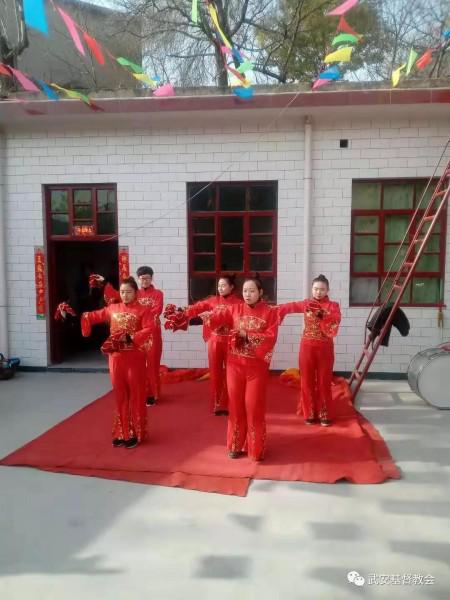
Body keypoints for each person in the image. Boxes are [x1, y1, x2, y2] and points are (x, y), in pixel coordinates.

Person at [167, 275, 279, 461]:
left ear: (260, 293)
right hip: (235, 366)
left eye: (252, 291)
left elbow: (270, 337)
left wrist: (246, 334)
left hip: (255, 369)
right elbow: (216, 318)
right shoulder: (234, 309)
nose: (248, 294)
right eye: (245, 291)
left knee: (253, 407)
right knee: (235, 406)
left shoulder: (270, 312)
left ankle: (255, 449)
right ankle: (235, 444)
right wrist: (186, 316)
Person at [81, 277, 155, 448]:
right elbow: (93, 316)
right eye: (122, 292)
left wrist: (131, 337)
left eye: (128, 292)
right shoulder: (113, 308)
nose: (125, 295)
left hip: (134, 358)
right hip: (116, 359)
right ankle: (122, 432)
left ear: (135, 293)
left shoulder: (144, 310)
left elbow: (149, 329)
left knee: (136, 395)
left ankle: (137, 432)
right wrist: (83, 318)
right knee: (120, 396)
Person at [169, 275, 242, 415]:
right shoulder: (212, 301)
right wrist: (182, 313)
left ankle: (228, 404)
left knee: (230, 373)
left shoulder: (239, 303)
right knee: (215, 372)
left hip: (230, 342)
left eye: (224, 285)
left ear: (231, 287)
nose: (220, 288)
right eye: (219, 286)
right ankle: (217, 404)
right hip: (214, 342)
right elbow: (198, 307)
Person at [92, 266, 164, 406]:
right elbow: (115, 294)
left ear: (152, 278)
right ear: (138, 279)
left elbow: (157, 309)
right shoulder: (132, 292)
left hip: (151, 334)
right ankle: (141, 392)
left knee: (152, 365)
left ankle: (152, 394)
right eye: (142, 278)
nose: (145, 281)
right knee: (138, 366)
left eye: (148, 278)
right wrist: (105, 282)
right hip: (134, 335)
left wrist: (141, 314)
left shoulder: (158, 294)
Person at [278, 274, 341, 427]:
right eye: (315, 289)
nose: (318, 292)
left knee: (324, 381)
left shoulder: (333, 306)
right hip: (307, 347)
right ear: (312, 290)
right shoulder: (307, 304)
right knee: (306, 381)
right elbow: (290, 306)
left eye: (322, 289)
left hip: (325, 348)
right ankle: (310, 413)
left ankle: (325, 414)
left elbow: (335, 320)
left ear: (327, 290)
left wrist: (322, 315)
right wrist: (273, 310)